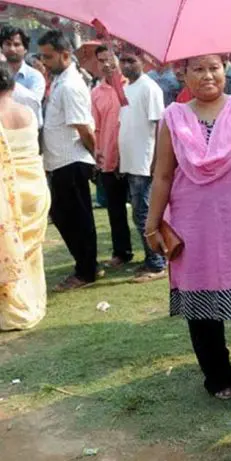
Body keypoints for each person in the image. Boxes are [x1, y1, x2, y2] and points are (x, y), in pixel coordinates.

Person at [145, 54, 231, 400]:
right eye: (197, 69)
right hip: (192, 227)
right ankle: (218, 375)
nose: (207, 76)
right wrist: (152, 223)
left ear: (225, 69)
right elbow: (163, 175)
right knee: (202, 315)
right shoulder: (174, 118)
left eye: (214, 67)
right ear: (182, 74)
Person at [38, 30, 100, 292]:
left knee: (74, 218)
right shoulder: (62, 80)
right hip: (61, 162)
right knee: (67, 217)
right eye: (42, 56)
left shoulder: (72, 84)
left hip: (71, 162)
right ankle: (87, 265)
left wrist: (93, 157)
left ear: (65, 54)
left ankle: (85, 271)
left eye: (48, 57)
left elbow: (84, 128)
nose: (44, 62)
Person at [0, 62, 50, 331]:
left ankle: (11, 310)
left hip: (6, 193)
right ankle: (31, 301)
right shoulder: (28, 111)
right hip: (34, 189)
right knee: (30, 249)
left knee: (7, 247)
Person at [118, 49, 167, 282]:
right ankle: (151, 258)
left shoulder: (150, 88)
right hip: (132, 162)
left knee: (145, 214)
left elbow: (159, 126)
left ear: (144, 62)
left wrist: (157, 161)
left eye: (131, 60)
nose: (126, 65)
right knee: (139, 214)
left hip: (145, 162)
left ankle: (157, 263)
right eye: (123, 60)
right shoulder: (127, 88)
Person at [92, 45, 133, 269]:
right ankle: (122, 252)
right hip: (108, 159)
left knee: (141, 207)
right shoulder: (96, 93)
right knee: (115, 209)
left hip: (133, 157)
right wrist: (98, 155)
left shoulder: (131, 87)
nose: (106, 64)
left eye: (110, 59)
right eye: (101, 60)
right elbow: (96, 128)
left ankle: (154, 254)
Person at [0, 27, 46, 103]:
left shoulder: (35, 77)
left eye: (16, 44)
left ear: (25, 49)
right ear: (1, 47)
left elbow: (33, 103)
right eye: (8, 44)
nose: (12, 49)